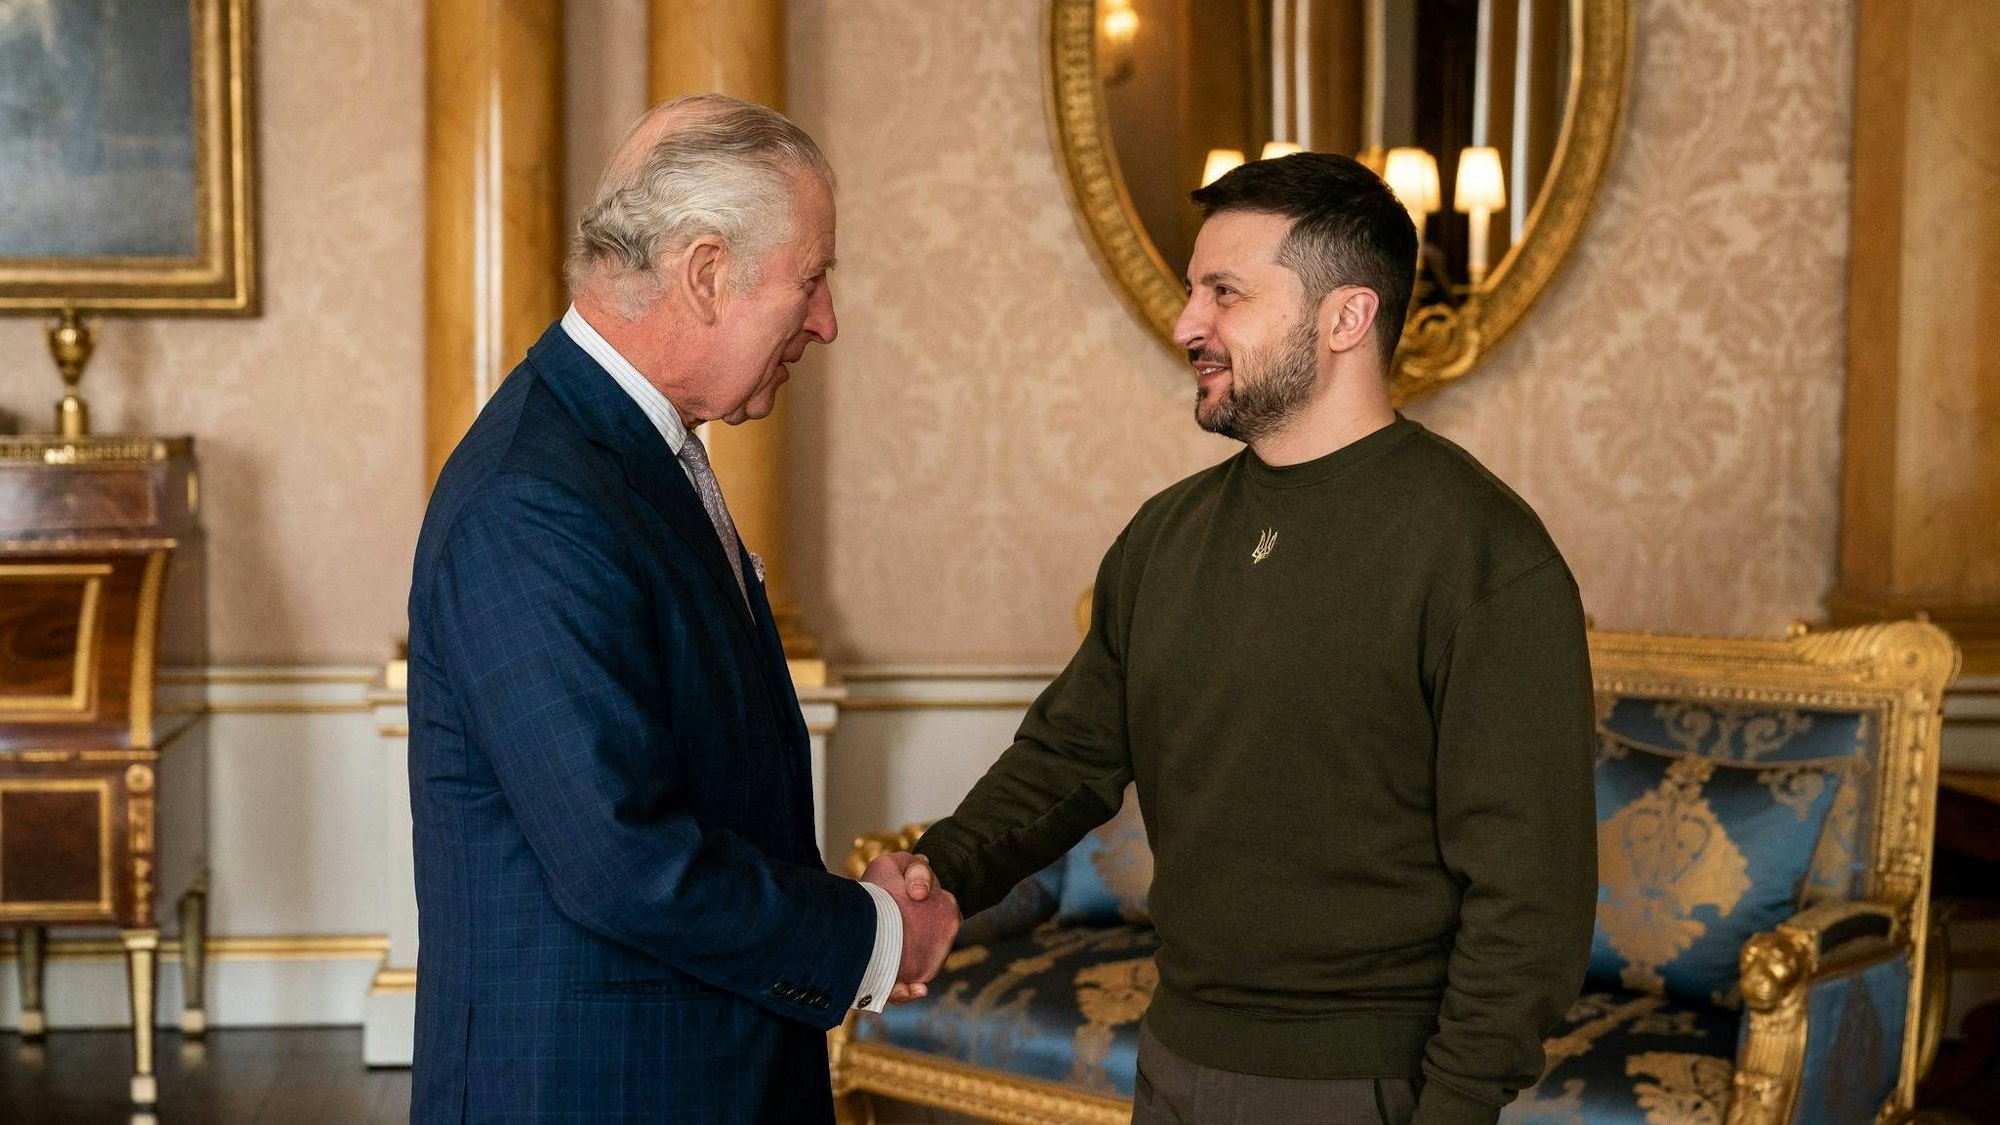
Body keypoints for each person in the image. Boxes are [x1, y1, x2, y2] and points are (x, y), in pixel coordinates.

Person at [880, 154, 1597, 1125]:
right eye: (1190, 291)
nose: (1185, 325)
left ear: (1344, 318)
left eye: (1224, 293)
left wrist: (1456, 1108)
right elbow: (1067, 756)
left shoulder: (1480, 554)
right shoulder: (1165, 533)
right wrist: (938, 877)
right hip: (1172, 1056)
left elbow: (1529, 897)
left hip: (1364, 1085)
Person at [405, 94, 955, 1124]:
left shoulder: (625, 452)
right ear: (706, 274)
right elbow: (624, 861)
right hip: (595, 1089)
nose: (826, 320)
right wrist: (872, 933)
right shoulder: (536, 496)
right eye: (812, 277)